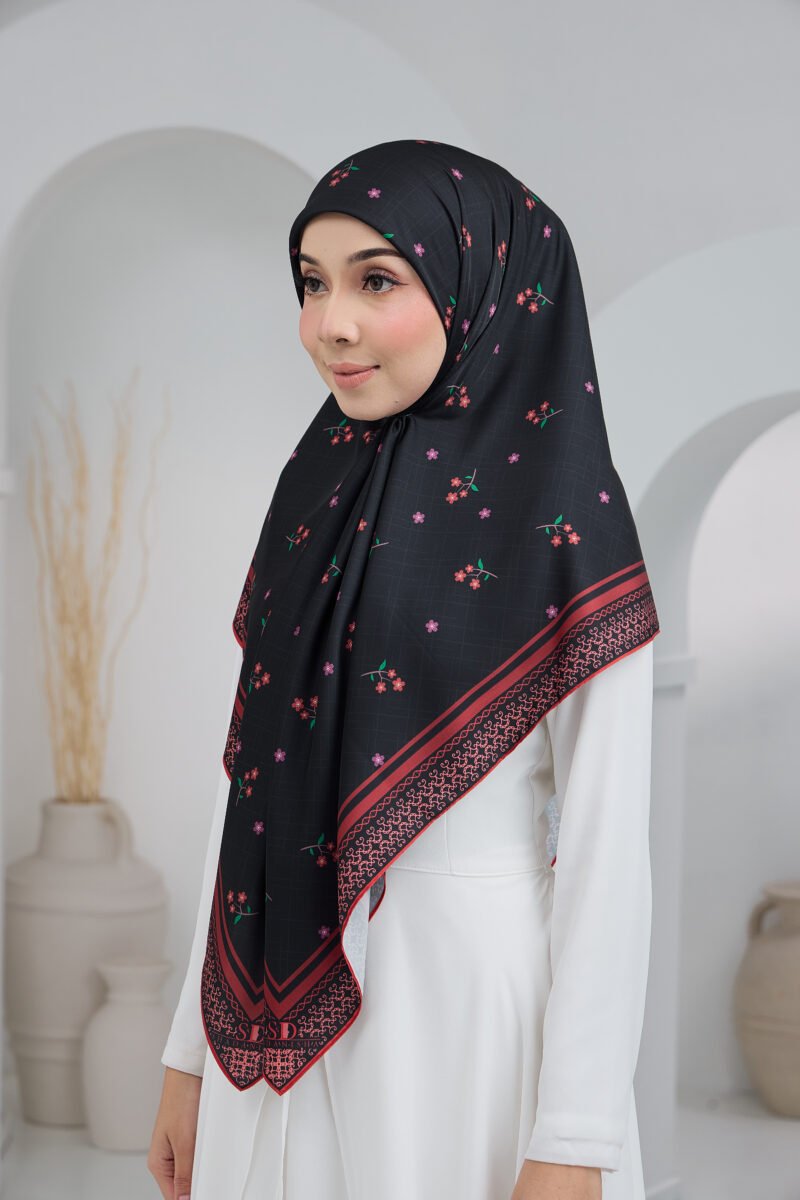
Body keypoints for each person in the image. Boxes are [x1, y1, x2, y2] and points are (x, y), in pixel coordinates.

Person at [148, 138, 660, 1200]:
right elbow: (252, 789)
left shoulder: (565, 518)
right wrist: (188, 1055)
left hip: (462, 1031)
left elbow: (607, 854)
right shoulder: (312, 488)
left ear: (482, 288)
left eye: (375, 280)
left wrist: (574, 1137)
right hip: (265, 1036)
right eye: (311, 282)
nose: (328, 324)